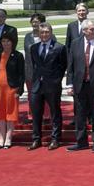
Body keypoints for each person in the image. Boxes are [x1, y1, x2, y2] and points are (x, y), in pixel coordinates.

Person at [65, 19, 94, 153]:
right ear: (84, 30)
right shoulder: (75, 43)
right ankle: (81, 142)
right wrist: (69, 84)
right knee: (79, 115)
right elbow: (71, 65)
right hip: (79, 85)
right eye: (92, 29)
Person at [28, 23, 67, 151]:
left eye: (46, 32)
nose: (44, 34)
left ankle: (55, 139)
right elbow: (35, 65)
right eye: (42, 32)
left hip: (52, 85)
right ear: (39, 33)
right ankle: (36, 139)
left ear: (51, 32)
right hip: (37, 85)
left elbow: (63, 66)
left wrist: (56, 79)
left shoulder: (59, 47)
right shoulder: (34, 48)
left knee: (55, 112)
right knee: (36, 113)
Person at [0, 31, 25, 148]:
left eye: (8, 41)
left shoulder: (18, 55)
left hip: (11, 89)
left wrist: (20, 90)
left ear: (12, 42)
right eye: (3, 41)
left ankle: (8, 138)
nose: (6, 43)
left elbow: (21, 74)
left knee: (10, 113)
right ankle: (1, 138)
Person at [22, 12, 46, 125]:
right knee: (31, 94)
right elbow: (27, 52)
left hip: (44, 71)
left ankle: (45, 115)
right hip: (30, 70)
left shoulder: (48, 35)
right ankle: (32, 115)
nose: (35, 24)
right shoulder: (28, 36)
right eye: (33, 22)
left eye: (38, 22)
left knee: (44, 94)